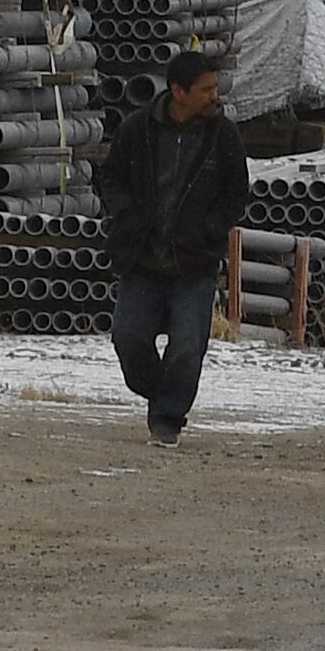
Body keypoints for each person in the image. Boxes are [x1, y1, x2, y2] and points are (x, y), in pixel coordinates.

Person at [93, 50, 248, 447]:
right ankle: (161, 393)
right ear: (178, 92)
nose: (215, 96)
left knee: (185, 349)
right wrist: (125, 213)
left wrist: (209, 229)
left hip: (194, 264)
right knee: (129, 340)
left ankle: (167, 417)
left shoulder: (223, 136)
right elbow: (110, 177)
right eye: (206, 89)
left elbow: (236, 195)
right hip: (141, 260)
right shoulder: (137, 129)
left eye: (216, 87)